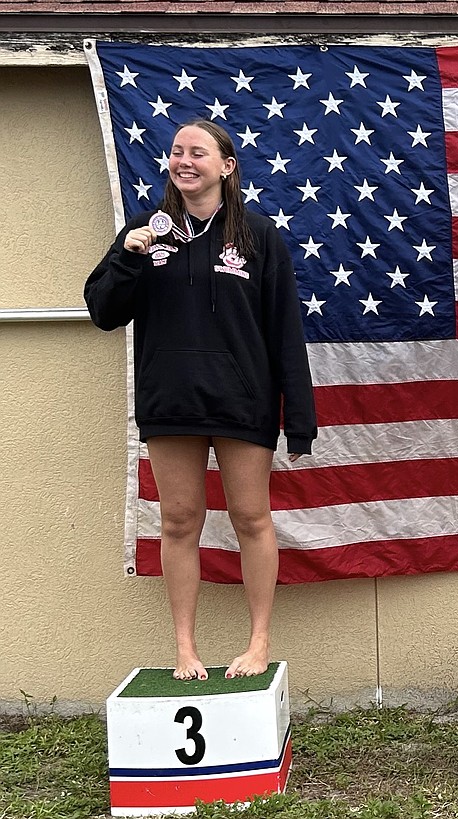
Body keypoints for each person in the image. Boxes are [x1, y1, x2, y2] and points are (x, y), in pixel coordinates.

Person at [85, 119, 317, 679]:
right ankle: (185, 649)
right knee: (179, 520)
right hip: (171, 403)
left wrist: (300, 420)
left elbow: (284, 329)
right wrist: (128, 257)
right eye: (175, 152)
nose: (183, 161)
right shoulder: (145, 232)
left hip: (243, 404)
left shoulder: (259, 235)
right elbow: (103, 312)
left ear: (226, 166)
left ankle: (258, 642)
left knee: (250, 517)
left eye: (197, 152)